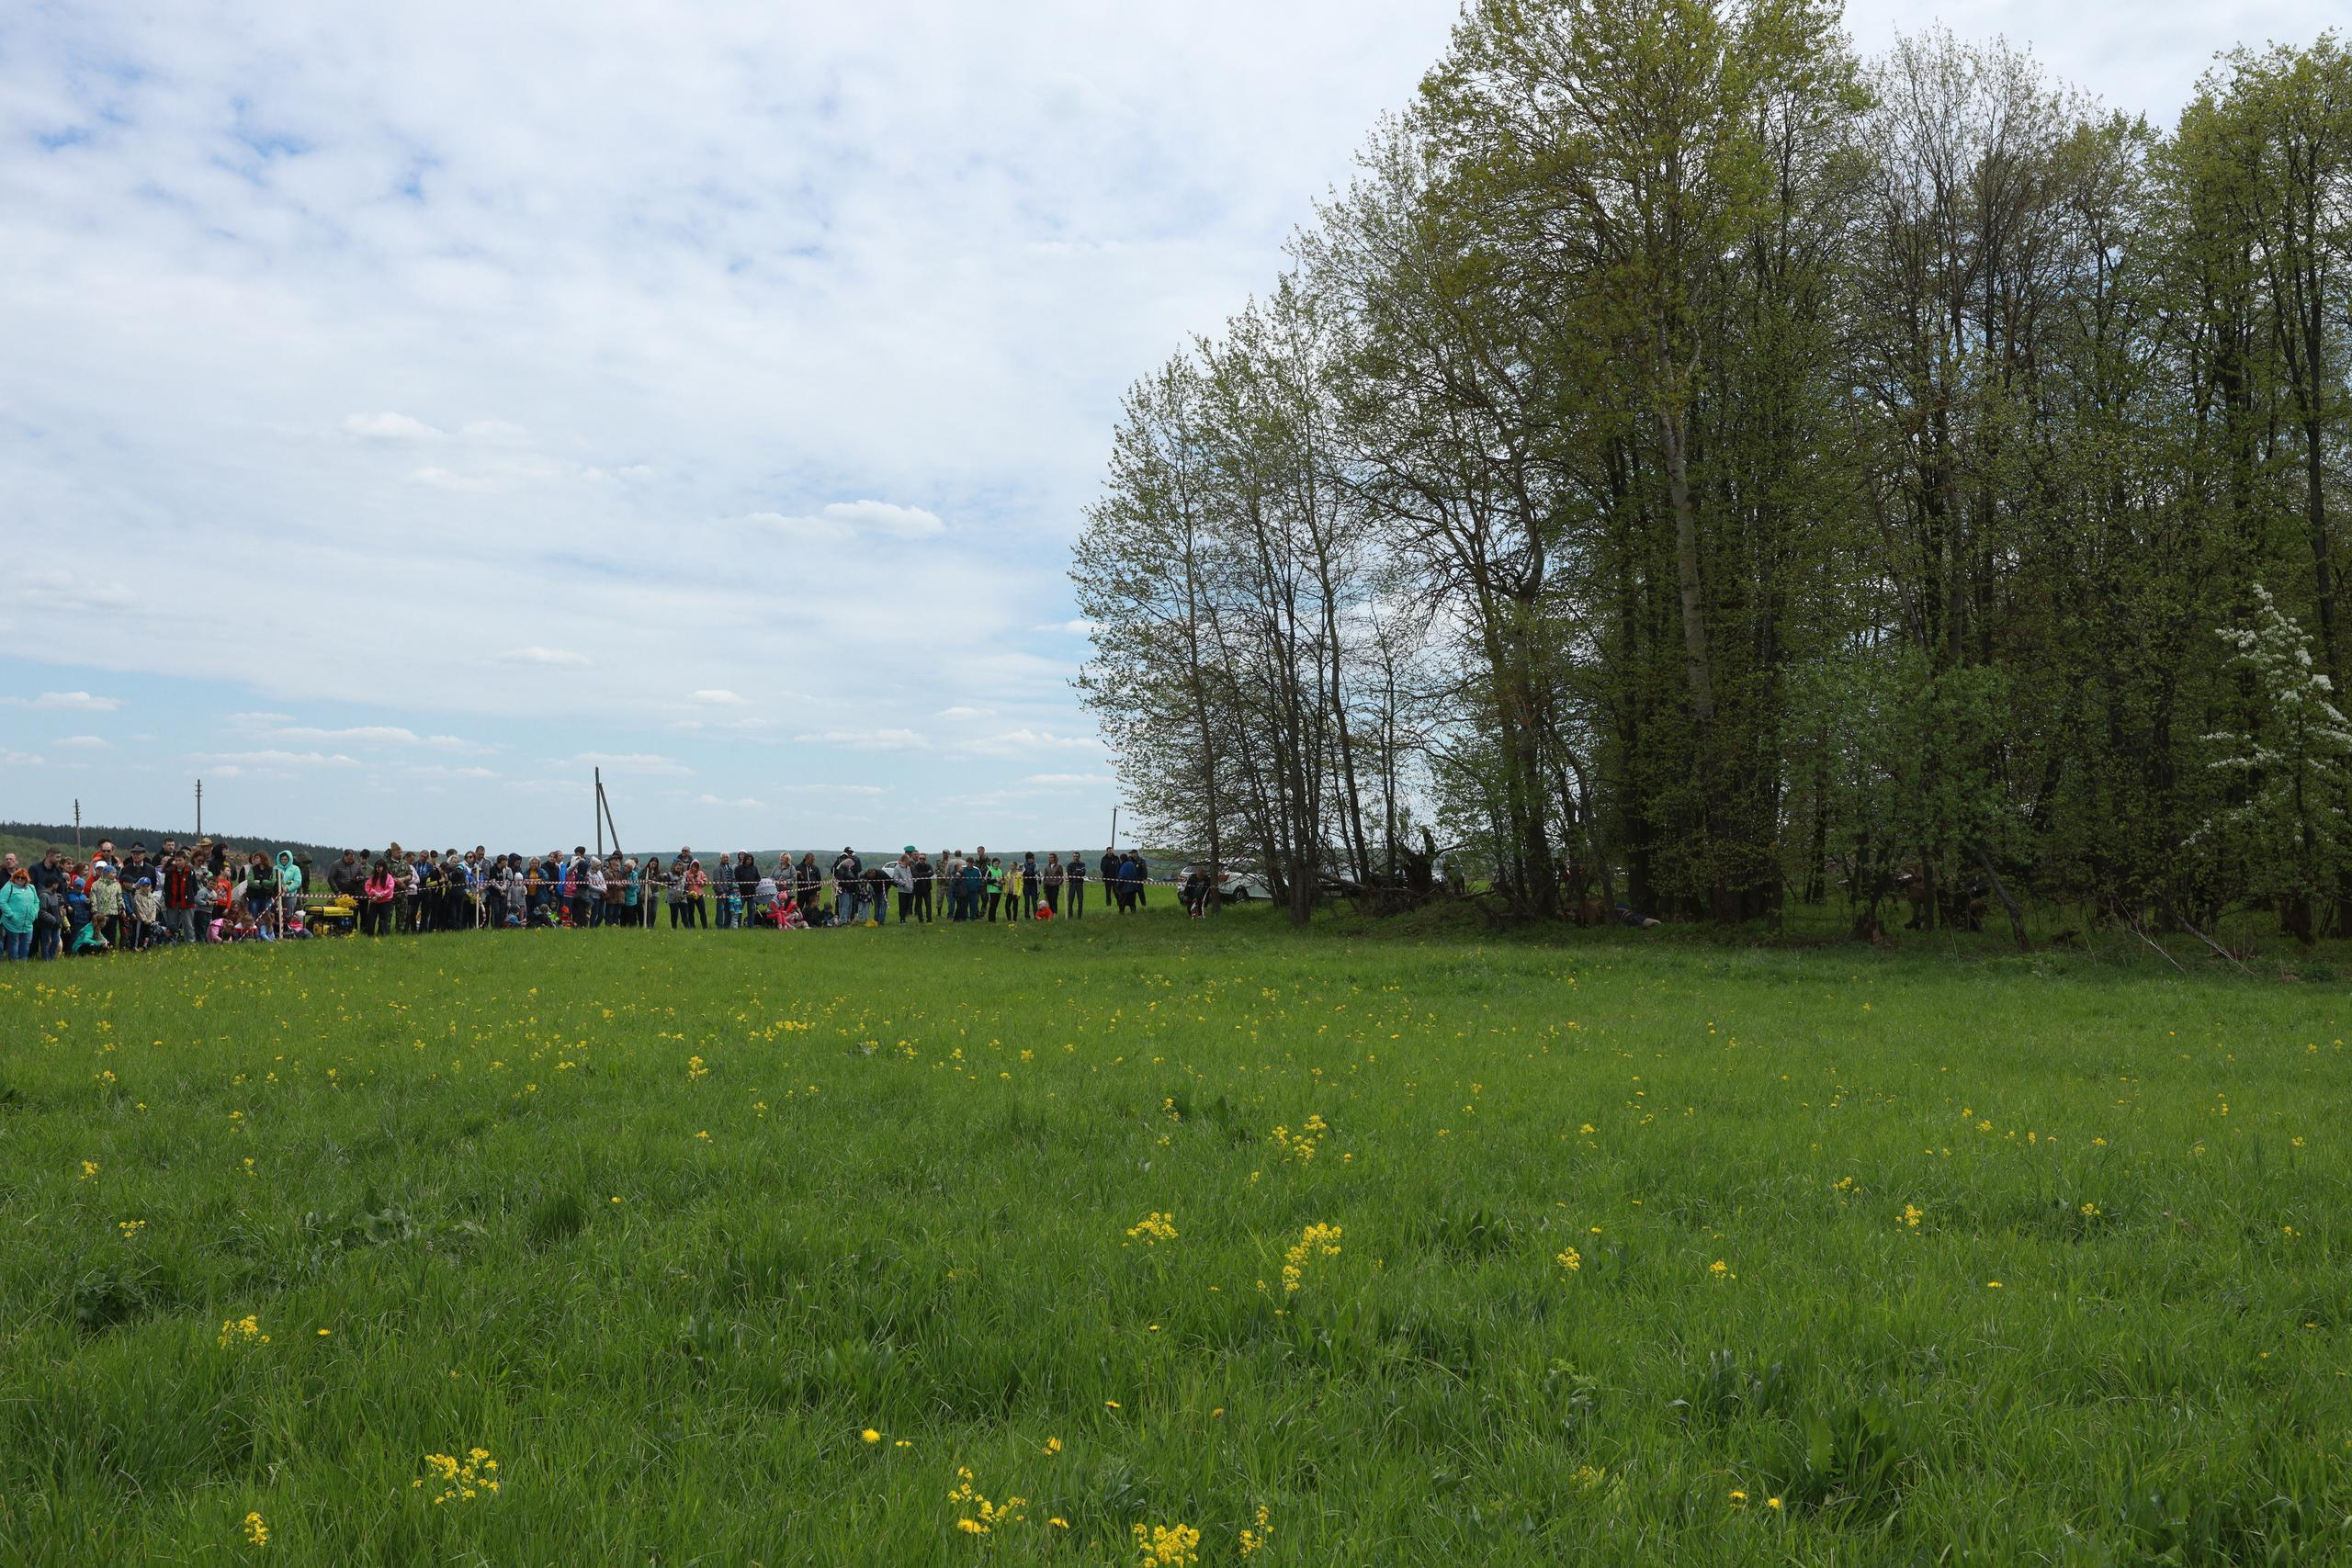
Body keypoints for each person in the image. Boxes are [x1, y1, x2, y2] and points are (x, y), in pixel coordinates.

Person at [0, 868, 37, 961]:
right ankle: (14, 963)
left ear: (26, 878)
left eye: (23, 878)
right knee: (14, 943)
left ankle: (23, 963)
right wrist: (11, 915)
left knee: (27, 942)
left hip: (28, 923)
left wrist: (35, 913)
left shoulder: (31, 888)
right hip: (12, 923)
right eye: (17, 877)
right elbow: (2, 902)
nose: (20, 879)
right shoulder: (9, 886)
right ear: (14, 877)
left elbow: (37, 901)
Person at [1066, 851, 1086, 919]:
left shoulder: (1082, 864)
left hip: (1079, 884)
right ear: (1073, 857)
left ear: (1079, 857)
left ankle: (1079, 916)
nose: (1075, 858)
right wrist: (1077, 873)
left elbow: (1083, 873)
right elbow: (1069, 875)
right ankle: (1070, 915)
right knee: (1070, 900)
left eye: (1077, 856)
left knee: (1080, 900)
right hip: (1072, 884)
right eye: (1074, 856)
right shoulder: (1070, 865)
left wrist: (1074, 873)